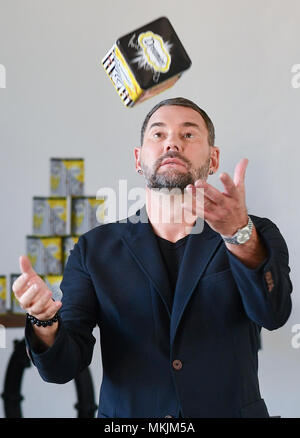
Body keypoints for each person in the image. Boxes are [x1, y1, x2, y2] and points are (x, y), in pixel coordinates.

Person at [13, 97, 292, 418]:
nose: (172, 142)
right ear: (138, 158)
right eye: (158, 135)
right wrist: (44, 320)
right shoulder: (94, 248)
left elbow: (273, 314)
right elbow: (63, 367)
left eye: (188, 135)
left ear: (213, 159)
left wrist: (238, 234)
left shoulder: (256, 232)